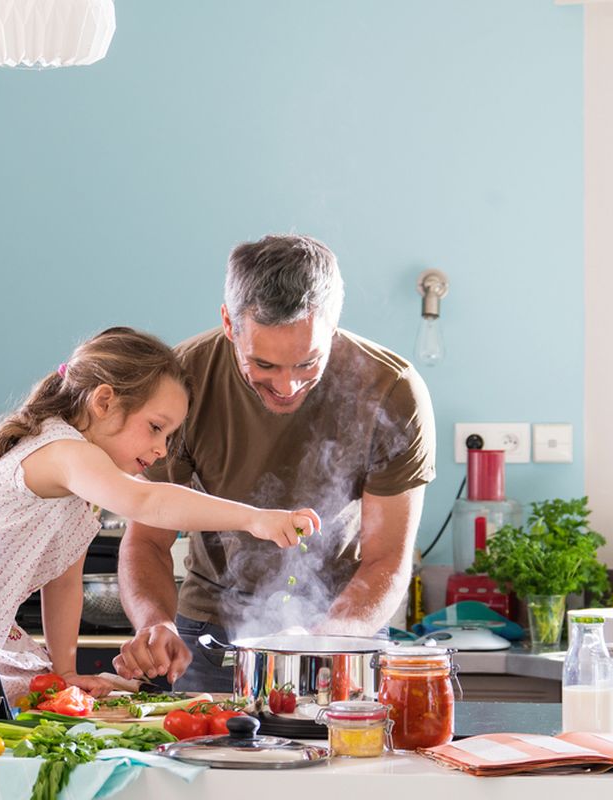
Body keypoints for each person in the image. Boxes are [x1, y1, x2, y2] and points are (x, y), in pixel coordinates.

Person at [0, 327, 321, 700]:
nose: (162, 450)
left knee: (21, 687)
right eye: (156, 428)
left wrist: (65, 670)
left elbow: (62, 584)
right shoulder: (64, 451)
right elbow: (146, 501)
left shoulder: (78, 493)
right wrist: (256, 518)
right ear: (105, 401)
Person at [114, 235, 436, 692]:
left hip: (344, 627)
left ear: (333, 325)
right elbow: (147, 538)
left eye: (309, 363)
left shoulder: (392, 390)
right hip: (210, 633)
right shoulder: (181, 381)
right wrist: (154, 623)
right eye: (263, 364)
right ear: (229, 322)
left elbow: (386, 559)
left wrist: (325, 643)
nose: (287, 386)